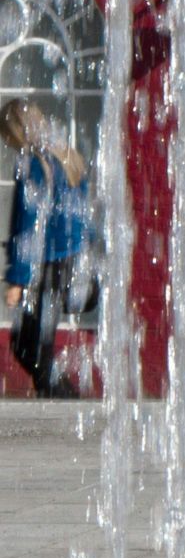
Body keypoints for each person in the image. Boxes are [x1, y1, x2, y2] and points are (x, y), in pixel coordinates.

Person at [2, 99, 91, 397]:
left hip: (47, 265)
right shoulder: (66, 156)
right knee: (38, 344)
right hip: (70, 261)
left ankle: (64, 401)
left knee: (29, 346)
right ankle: (61, 399)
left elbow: (26, 224)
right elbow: (82, 214)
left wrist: (17, 279)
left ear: (16, 132)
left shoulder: (32, 163)